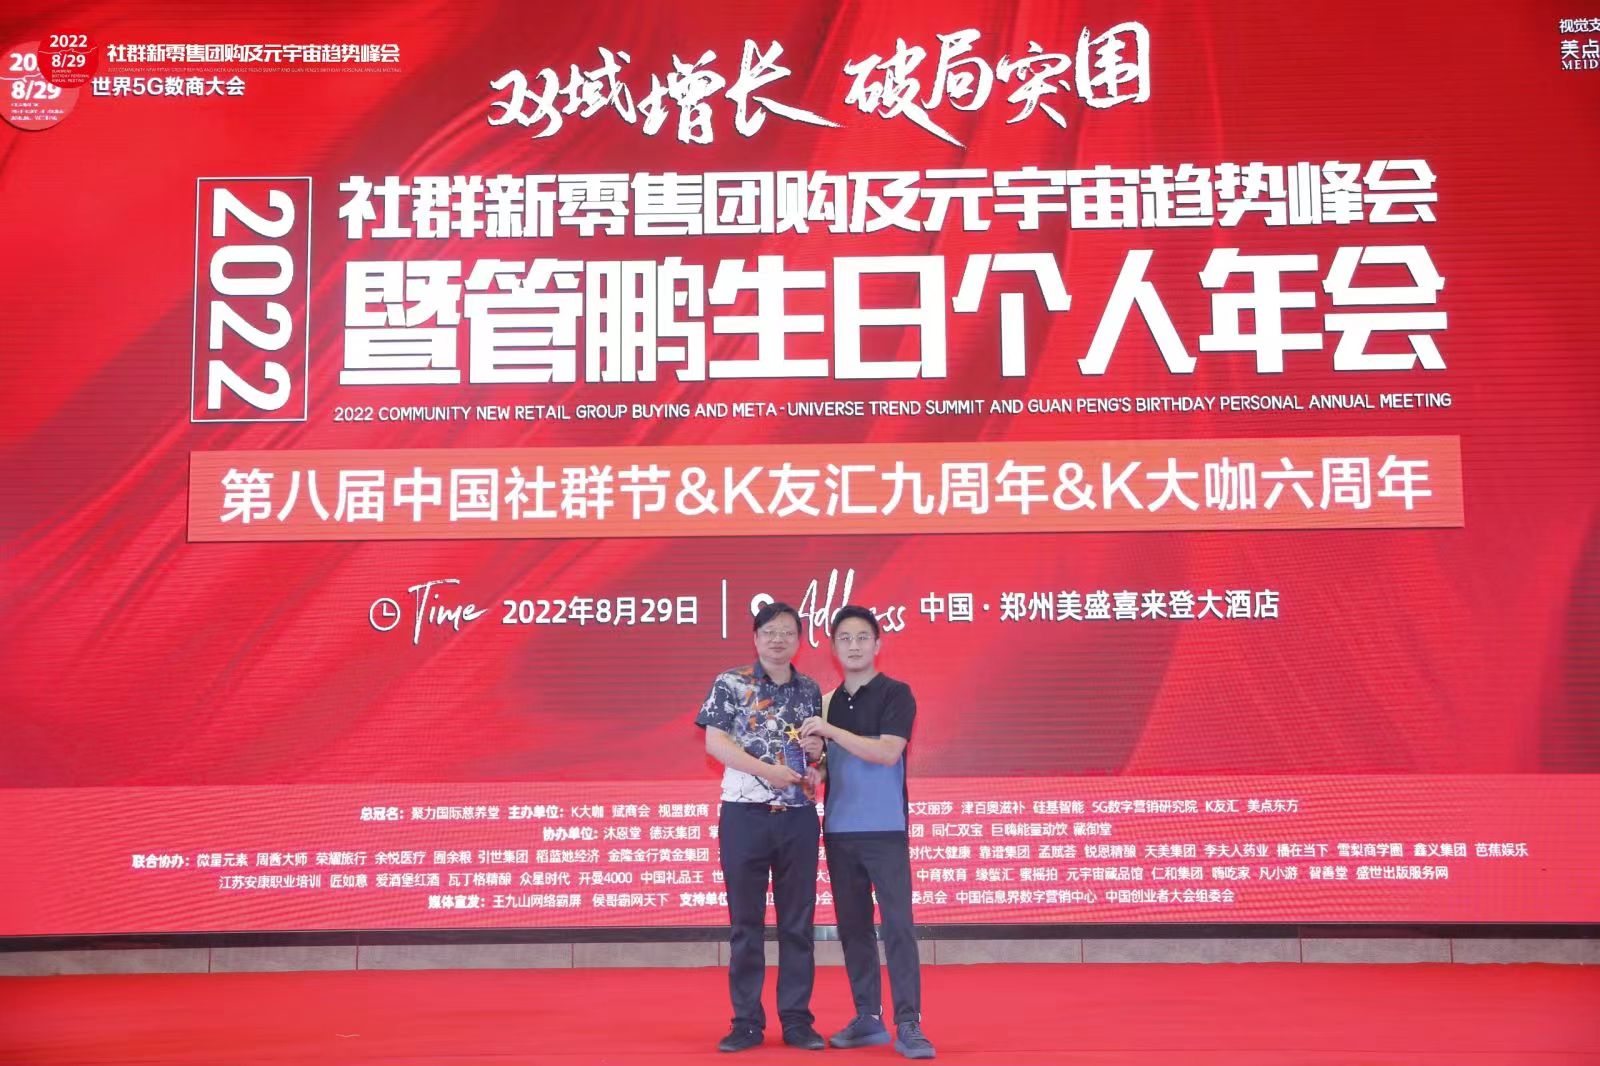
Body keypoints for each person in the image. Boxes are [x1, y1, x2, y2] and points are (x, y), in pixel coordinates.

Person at [800, 605, 936, 1060]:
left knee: (898, 927)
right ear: (833, 647)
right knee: (854, 929)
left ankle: (909, 1023)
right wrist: (812, 770)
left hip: (886, 830)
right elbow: (826, 766)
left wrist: (831, 732)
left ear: (877, 644)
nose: (854, 645)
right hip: (839, 831)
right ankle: (867, 1017)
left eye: (862, 637)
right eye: (845, 638)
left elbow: (886, 752)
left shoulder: (897, 693)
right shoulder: (826, 702)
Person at [696, 601, 826, 1053]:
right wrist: (768, 772)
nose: (778, 639)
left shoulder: (810, 689)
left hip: (798, 818)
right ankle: (746, 1023)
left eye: (787, 632)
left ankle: (797, 1021)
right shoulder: (730, 682)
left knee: (798, 925)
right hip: (744, 816)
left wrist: (817, 763)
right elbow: (715, 743)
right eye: (769, 631)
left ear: (799, 640)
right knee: (746, 925)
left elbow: (814, 754)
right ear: (755, 638)